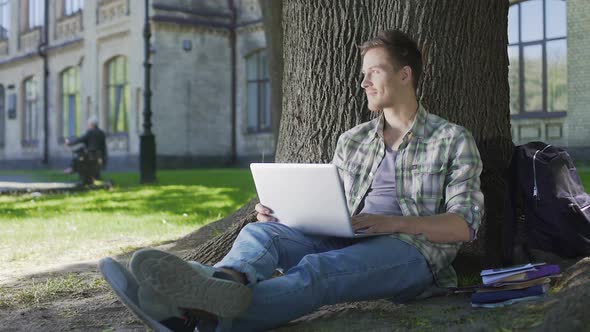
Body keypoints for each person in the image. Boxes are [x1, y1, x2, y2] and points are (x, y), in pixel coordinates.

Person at [117, 29, 484, 331]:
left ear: (405, 74)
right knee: (261, 234)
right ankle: (224, 283)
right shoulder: (352, 140)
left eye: (374, 72)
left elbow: (464, 226)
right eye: (363, 73)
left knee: (319, 272)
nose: (363, 82)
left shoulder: (451, 139)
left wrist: (392, 222)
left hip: (412, 253)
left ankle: (195, 317)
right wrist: (286, 213)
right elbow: (332, 203)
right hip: (347, 237)